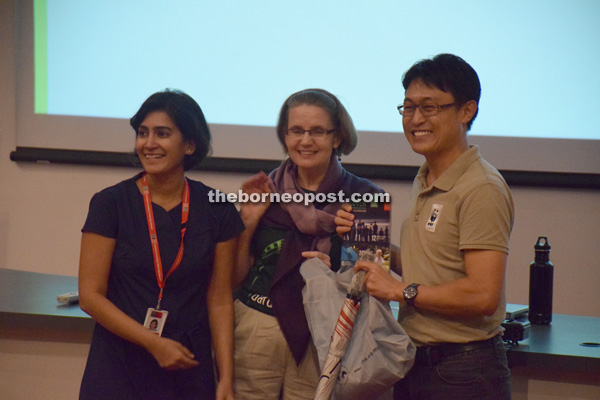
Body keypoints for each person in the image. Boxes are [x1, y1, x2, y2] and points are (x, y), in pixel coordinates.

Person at [341, 54, 514, 399]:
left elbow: (483, 295)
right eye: (408, 108)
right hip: (417, 360)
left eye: (430, 107)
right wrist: (373, 247)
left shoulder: (481, 188)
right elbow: (436, 267)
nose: (416, 119)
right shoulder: (426, 176)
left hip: (463, 369)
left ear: (466, 111)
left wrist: (397, 290)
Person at [78, 89, 244, 400]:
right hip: (119, 363)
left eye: (162, 133)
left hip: (187, 363)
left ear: (190, 145)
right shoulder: (110, 203)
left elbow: (219, 299)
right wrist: (153, 343)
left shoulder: (217, 207)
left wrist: (226, 379)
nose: (149, 143)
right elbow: (90, 296)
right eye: (143, 133)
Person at [232, 88, 384, 399]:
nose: (305, 141)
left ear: (337, 137)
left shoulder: (366, 197)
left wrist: (346, 255)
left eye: (317, 131)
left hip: (326, 333)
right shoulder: (263, 189)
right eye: (296, 131)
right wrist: (247, 221)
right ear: (284, 135)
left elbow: (378, 283)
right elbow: (232, 277)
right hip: (256, 330)